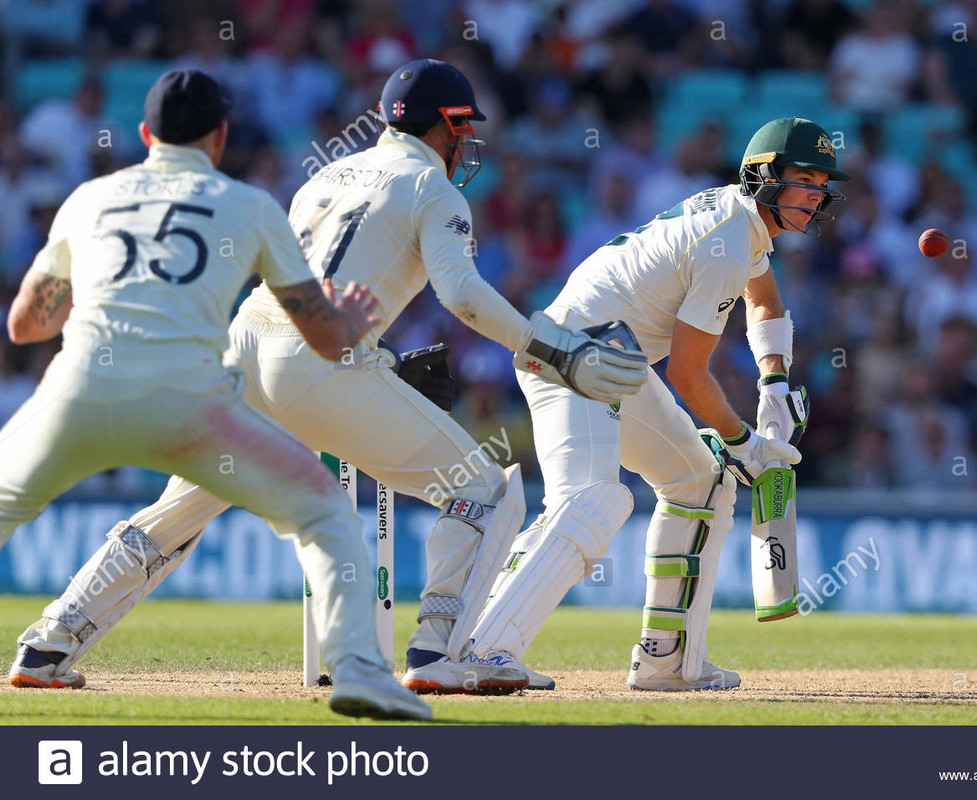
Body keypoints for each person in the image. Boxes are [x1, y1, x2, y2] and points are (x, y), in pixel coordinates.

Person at [7, 60, 648, 697]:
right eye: (463, 128)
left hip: (245, 347)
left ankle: (47, 643)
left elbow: (319, 282)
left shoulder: (325, 176)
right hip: (319, 364)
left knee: (176, 513)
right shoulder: (435, 190)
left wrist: (385, 367)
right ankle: (437, 652)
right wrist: (558, 350)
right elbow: (464, 296)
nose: (466, 142)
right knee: (484, 494)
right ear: (447, 123)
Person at [1, 70, 432, 720]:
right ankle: (358, 671)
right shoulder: (250, 204)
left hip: (78, 395)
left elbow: (25, 326)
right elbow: (321, 339)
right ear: (220, 137)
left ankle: (46, 649)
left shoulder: (89, 198)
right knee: (326, 517)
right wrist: (352, 318)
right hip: (189, 408)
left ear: (145, 135)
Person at [468, 117, 850, 691]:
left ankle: (667, 661)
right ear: (764, 176)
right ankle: (482, 650)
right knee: (591, 501)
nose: (816, 195)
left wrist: (774, 385)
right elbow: (689, 374)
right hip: (572, 353)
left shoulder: (739, 223)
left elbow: (765, 302)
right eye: (805, 179)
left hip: (614, 362)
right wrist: (744, 442)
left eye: (823, 183)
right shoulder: (725, 240)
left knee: (700, 480)